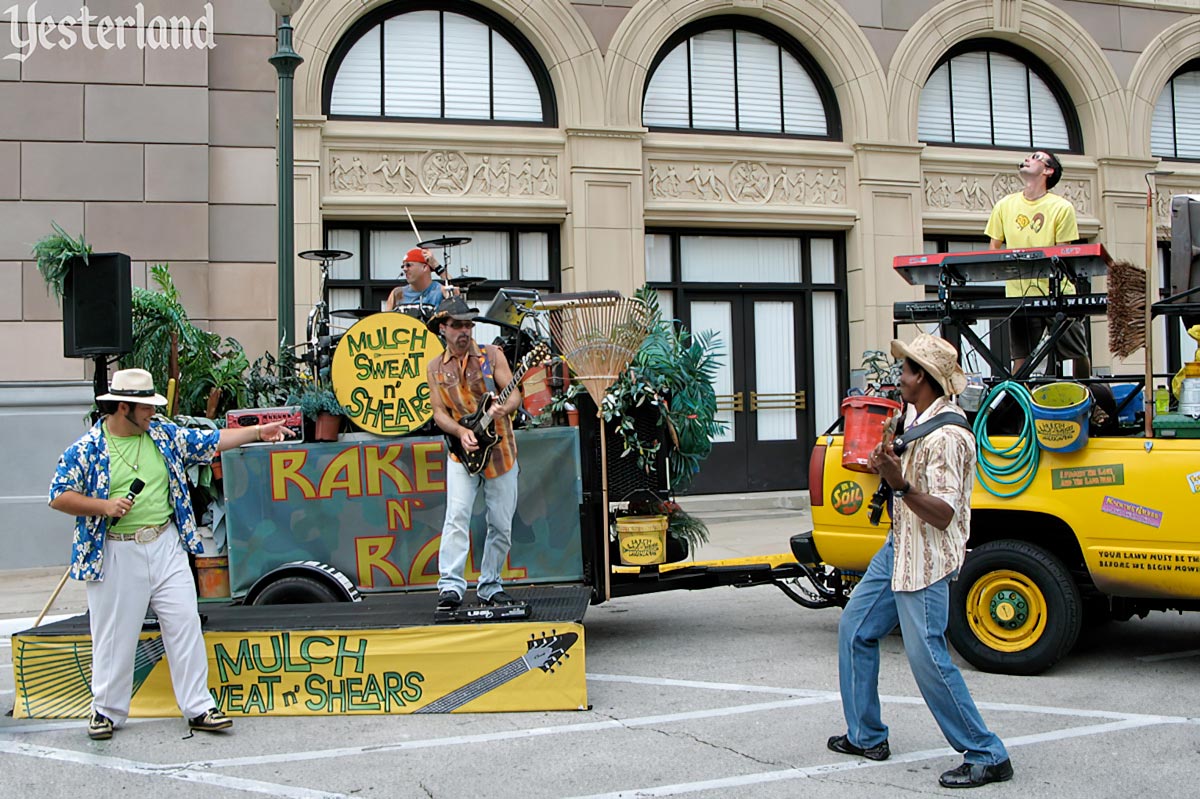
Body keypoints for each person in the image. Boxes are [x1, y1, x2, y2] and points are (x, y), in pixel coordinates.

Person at [48, 368, 296, 740]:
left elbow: (208, 441)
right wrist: (103, 506)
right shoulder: (88, 448)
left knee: (185, 623)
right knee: (114, 634)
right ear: (122, 407)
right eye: (145, 407)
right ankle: (106, 710)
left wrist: (258, 432)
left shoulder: (162, 434)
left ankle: (198, 706)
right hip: (118, 550)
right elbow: (58, 495)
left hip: (166, 543)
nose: (152, 412)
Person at [828, 334, 1013, 790]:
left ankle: (987, 753)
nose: (902, 377)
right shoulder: (915, 417)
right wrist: (885, 464)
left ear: (926, 380)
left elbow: (945, 512)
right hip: (900, 546)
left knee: (928, 659)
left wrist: (900, 485)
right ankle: (866, 736)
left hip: (927, 558)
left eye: (908, 370)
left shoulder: (949, 436)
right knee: (855, 629)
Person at [426, 297, 524, 609]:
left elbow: (515, 394)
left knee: (501, 522)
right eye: (457, 325)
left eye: (468, 324)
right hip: (461, 452)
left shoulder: (492, 356)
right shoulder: (434, 367)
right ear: (444, 328)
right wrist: (460, 432)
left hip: (500, 451)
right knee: (456, 517)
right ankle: (451, 587)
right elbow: (439, 413)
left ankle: (490, 585)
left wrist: (501, 409)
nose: (464, 331)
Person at [985, 149, 1090, 377]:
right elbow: (994, 248)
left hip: (1058, 292)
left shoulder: (1062, 208)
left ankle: (1090, 401)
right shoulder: (1005, 205)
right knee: (1021, 361)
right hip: (1020, 295)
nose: (1028, 159)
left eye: (1036, 157)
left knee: (1077, 354)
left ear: (1048, 170)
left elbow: (1063, 254)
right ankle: (1017, 409)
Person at [385, 247, 448, 312]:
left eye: (408, 265)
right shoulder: (397, 293)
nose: (404, 269)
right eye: (403, 266)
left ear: (424, 267)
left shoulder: (440, 291)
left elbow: (456, 296)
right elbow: (385, 320)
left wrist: (436, 265)